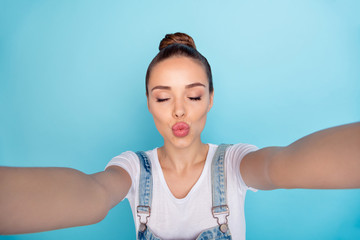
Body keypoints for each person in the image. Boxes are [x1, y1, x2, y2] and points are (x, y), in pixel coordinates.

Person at [0, 32, 359, 240]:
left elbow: (283, 165)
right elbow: (93, 194)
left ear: (211, 99)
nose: (179, 110)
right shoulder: (133, 169)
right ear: (148, 103)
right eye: (163, 97)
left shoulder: (234, 163)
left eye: (193, 95)